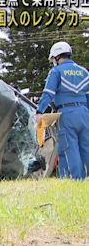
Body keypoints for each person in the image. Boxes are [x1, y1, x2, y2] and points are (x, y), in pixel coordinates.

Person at [36, 41, 89, 180]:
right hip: (84, 113)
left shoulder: (56, 72)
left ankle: (77, 181)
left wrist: (39, 112)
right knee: (86, 148)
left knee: (70, 148)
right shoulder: (84, 71)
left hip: (67, 115)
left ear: (57, 57)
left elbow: (48, 94)